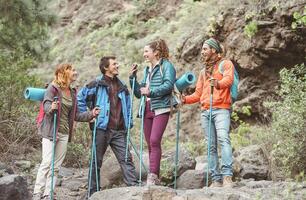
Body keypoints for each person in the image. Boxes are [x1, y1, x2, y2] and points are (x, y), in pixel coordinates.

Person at [33, 64, 100, 200]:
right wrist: (51, 107)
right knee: (46, 163)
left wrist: (91, 114)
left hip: (64, 133)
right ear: (64, 73)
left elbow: (76, 115)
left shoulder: (73, 92)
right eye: (73, 70)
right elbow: (46, 105)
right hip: (51, 131)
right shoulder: (53, 89)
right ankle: (37, 192)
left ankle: (48, 194)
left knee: (56, 166)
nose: (75, 72)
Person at [77, 56, 138, 196]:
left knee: (126, 159)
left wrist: (128, 123)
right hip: (101, 129)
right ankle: (92, 194)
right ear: (106, 68)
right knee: (96, 162)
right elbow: (80, 98)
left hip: (119, 130)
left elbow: (127, 106)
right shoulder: (96, 84)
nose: (118, 65)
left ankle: (135, 190)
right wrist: (88, 115)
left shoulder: (122, 86)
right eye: (114, 64)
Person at [182, 38, 234, 187]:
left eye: (205, 49)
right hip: (205, 111)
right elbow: (198, 95)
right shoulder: (203, 72)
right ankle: (216, 179)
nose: (202, 52)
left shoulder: (226, 64)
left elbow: (228, 81)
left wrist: (217, 83)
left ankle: (227, 177)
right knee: (210, 146)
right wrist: (184, 99)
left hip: (221, 109)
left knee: (224, 139)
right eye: (202, 49)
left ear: (214, 50)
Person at [129, 39, 176, 185]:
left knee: (155, 140)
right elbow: (139, 93)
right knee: (150, 143)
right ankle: (155, 176)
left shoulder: (167, 66)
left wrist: (151, 92)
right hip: (146, 108)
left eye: (146, 51)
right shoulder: (147, 70)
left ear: (155, 52)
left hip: (161, 107)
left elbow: (169, 85)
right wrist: (132, 78)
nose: (144, 54)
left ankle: (153, 175)